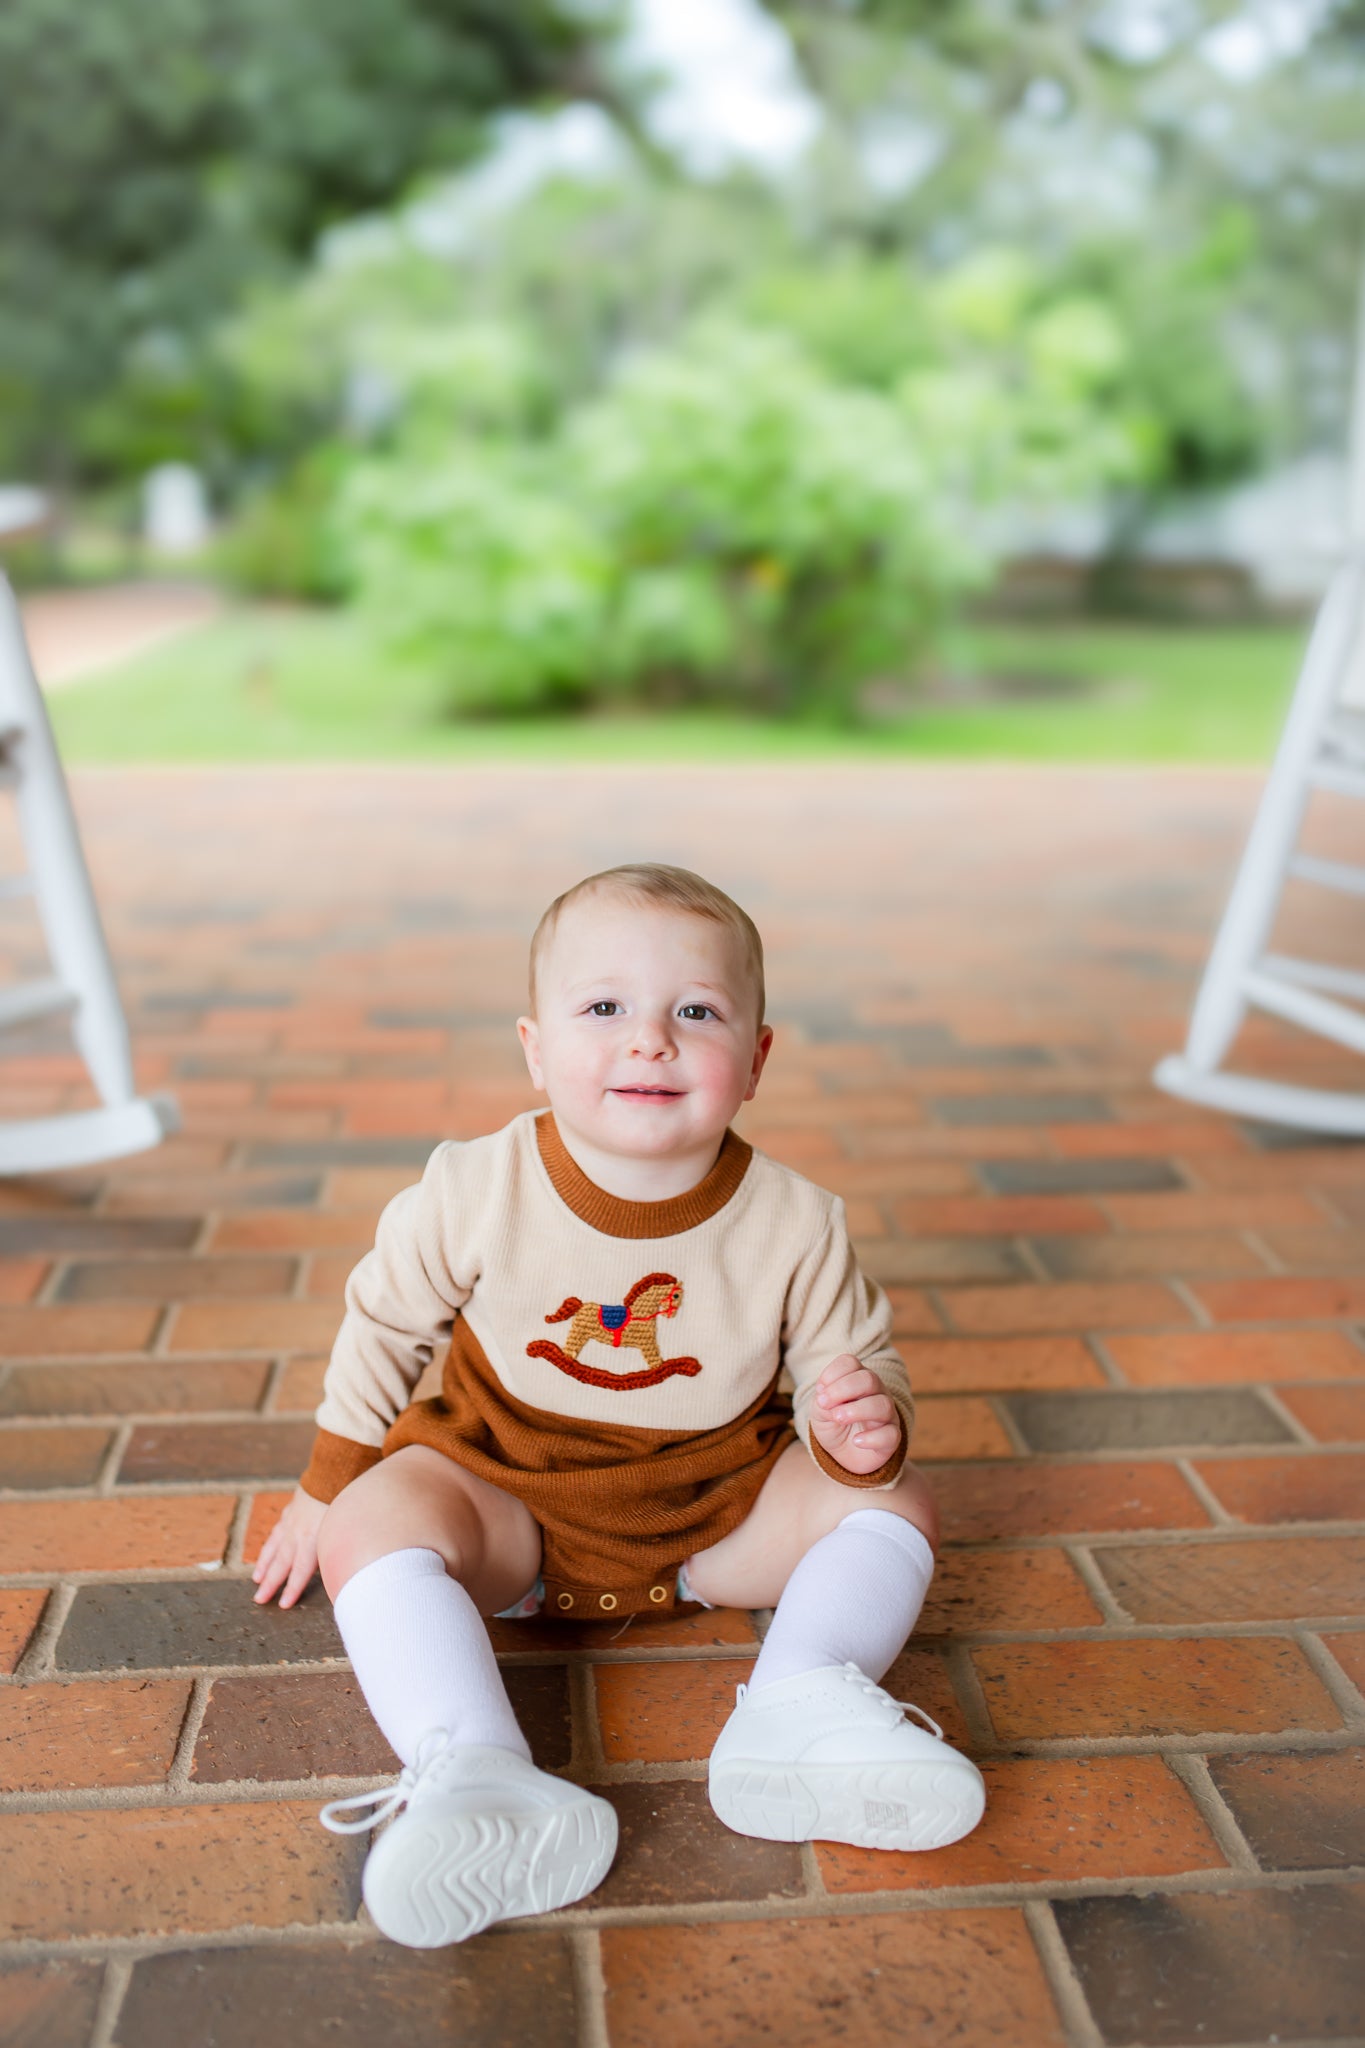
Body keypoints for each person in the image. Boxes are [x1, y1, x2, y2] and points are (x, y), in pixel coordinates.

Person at [253, 862, 985, 1948]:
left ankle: (801, 1699)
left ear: (757, 1059)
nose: (651, 1039)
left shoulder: (797, 1220)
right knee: (375, 1520)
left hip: (714, 1513)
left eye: (696, 1011)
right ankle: (472, 1768)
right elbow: (385, 1323)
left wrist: (863, 1423)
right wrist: (325, 1484)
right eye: (605, 1008)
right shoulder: (475, 1185)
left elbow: (857, 1355)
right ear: (536, 1047)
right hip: (507, 1500)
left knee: (898, 1504)